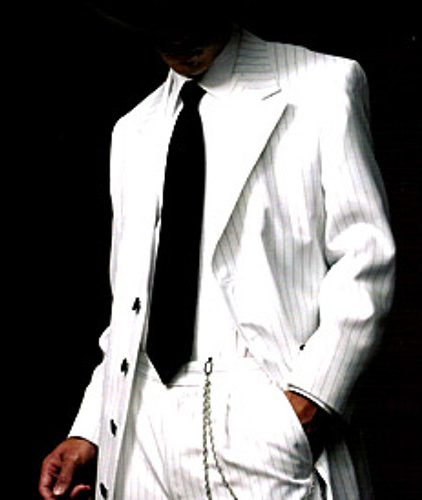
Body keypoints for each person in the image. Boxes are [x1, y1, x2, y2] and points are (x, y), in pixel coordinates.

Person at [39, 2, 396, 499]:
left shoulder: (321, 85)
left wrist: (310, 403)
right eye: (161, 29)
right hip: (141, 431)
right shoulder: (134, 130)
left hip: (259, 414)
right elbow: (130, 306)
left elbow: (366, 259)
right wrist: (91, 429)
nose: (179, 43)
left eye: (191, 22)